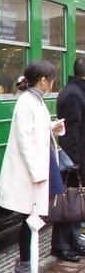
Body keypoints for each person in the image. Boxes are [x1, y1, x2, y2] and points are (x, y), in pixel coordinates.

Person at [0, 60, 66, 273]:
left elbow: (35, 130)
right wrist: (37, 174)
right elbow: (24, 140)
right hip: (34, 170)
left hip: (42, 166)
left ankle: (27, 266)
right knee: (31, 218)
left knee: (35, 217)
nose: (53, 83)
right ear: (44, 80)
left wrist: (53, 127)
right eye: (52, 78)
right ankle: (26, 267)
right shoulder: (27, 102)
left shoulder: (35, 100)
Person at [52, 56, 85, 262]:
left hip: (76, 155)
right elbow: (71, 131)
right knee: (68, 201)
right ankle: (61, 245)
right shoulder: (74, 94)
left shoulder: (75, 91)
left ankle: (73, 240)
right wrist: (73, 163)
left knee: (72, 201)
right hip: (74, 157)